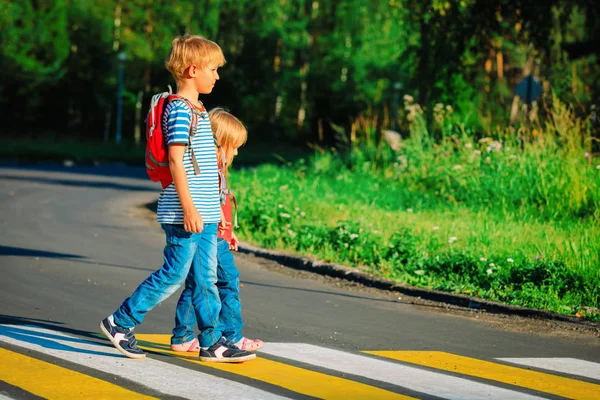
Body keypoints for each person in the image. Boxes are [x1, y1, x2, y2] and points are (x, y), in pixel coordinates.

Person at [100, 35, 255, 363]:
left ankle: (212, 342)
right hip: (186, 213)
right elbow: (175, 160)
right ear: (191, 69)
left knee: (205, 280)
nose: (217, 76)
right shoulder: (180, 111)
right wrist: (189, 207)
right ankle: (120, 322)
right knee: (173, 273)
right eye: (212, 69)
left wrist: (215, 212)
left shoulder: (198, 109)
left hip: (207, 214)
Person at [170, 108, 264, 353]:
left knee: (196, 285)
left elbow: (217, 201)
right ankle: (231, 335)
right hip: (211, 236)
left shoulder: (214, 167)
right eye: (232, 147)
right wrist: (222, 228)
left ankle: (182, 337)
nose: (235, 153)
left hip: (217, 233)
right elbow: (209, 199)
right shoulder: (209, 167)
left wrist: (228, 228)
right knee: (228, 281)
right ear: (219, 143)